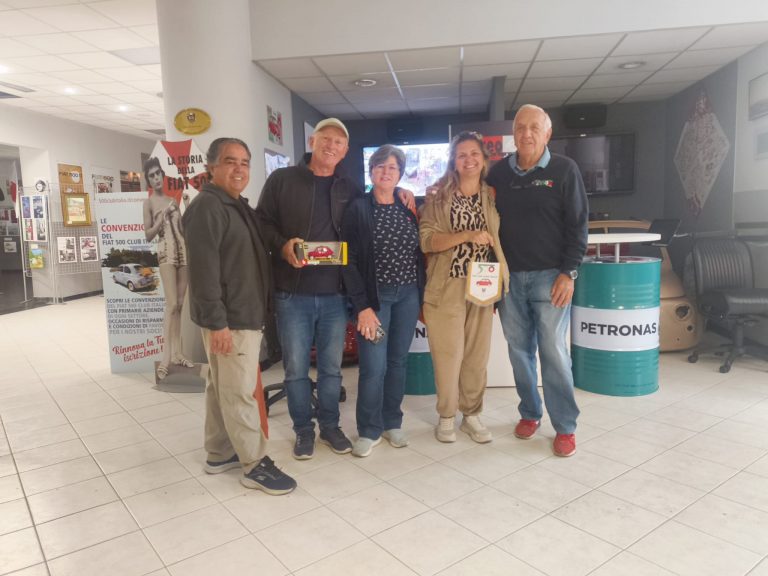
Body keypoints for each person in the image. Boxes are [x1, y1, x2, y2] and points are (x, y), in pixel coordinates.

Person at [182, 137, 296, 495]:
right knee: (240, 392)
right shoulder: (208, 208)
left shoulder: (235, 205)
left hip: (242, 313)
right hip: (231, 319)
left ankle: (220, 453)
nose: (239, 169)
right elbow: (204, 272)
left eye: (245, 162)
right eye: (230, 161)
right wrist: (217, 324)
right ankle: (254, 463)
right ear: (211, 167)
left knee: (222, 386)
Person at [486, 104, 589, 458]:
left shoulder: (564, 170)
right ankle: (530, 412)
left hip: (551, 278)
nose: (526, 133)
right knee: (519, 352)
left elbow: (578, 225)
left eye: (534, 128)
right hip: (509, 280)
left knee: (554, 352)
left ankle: (565, 426)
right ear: (513, 134)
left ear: (547, 134)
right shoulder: (499, 174)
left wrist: (568, 272)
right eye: (520, 127)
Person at [419, 131, 509, 444]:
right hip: (447, 285)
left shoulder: (492, 194)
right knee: (448, 355)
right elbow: (427, 240)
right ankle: (446, 416)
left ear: (484, 159)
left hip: (483, 284)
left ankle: (471, 414)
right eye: (461, 155)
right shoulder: (438, 195)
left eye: (474, 154)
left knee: (476, 355)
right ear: (453, 162)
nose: (468, 160)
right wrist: (467, 235)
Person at [341, 144, 425, 458]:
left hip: (407, 297)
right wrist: (362, 306)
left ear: (400, 174)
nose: (386, 172)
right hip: (375, 303)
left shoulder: (407, 206)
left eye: (392, 167)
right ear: (371, 171)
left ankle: (392, 422)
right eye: (380, 166)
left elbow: (418, 254)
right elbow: (348, 260)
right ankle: (369, 429)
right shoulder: (358, 208)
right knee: (373, 367)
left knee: (397, 362)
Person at [143, 156, 193, 380]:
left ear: (163, 175)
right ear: (148, 180)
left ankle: (177, 353)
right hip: (165, 252)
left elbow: (183, 228)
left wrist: (187, 207)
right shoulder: (149, 203)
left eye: (158, 174)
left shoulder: (173, 200)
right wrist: (160, 218)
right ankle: (165, 358)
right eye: (151, 176)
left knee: (180, 305)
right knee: (171, 304)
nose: (156, 178)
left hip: (183, 251)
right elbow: (148, 235)